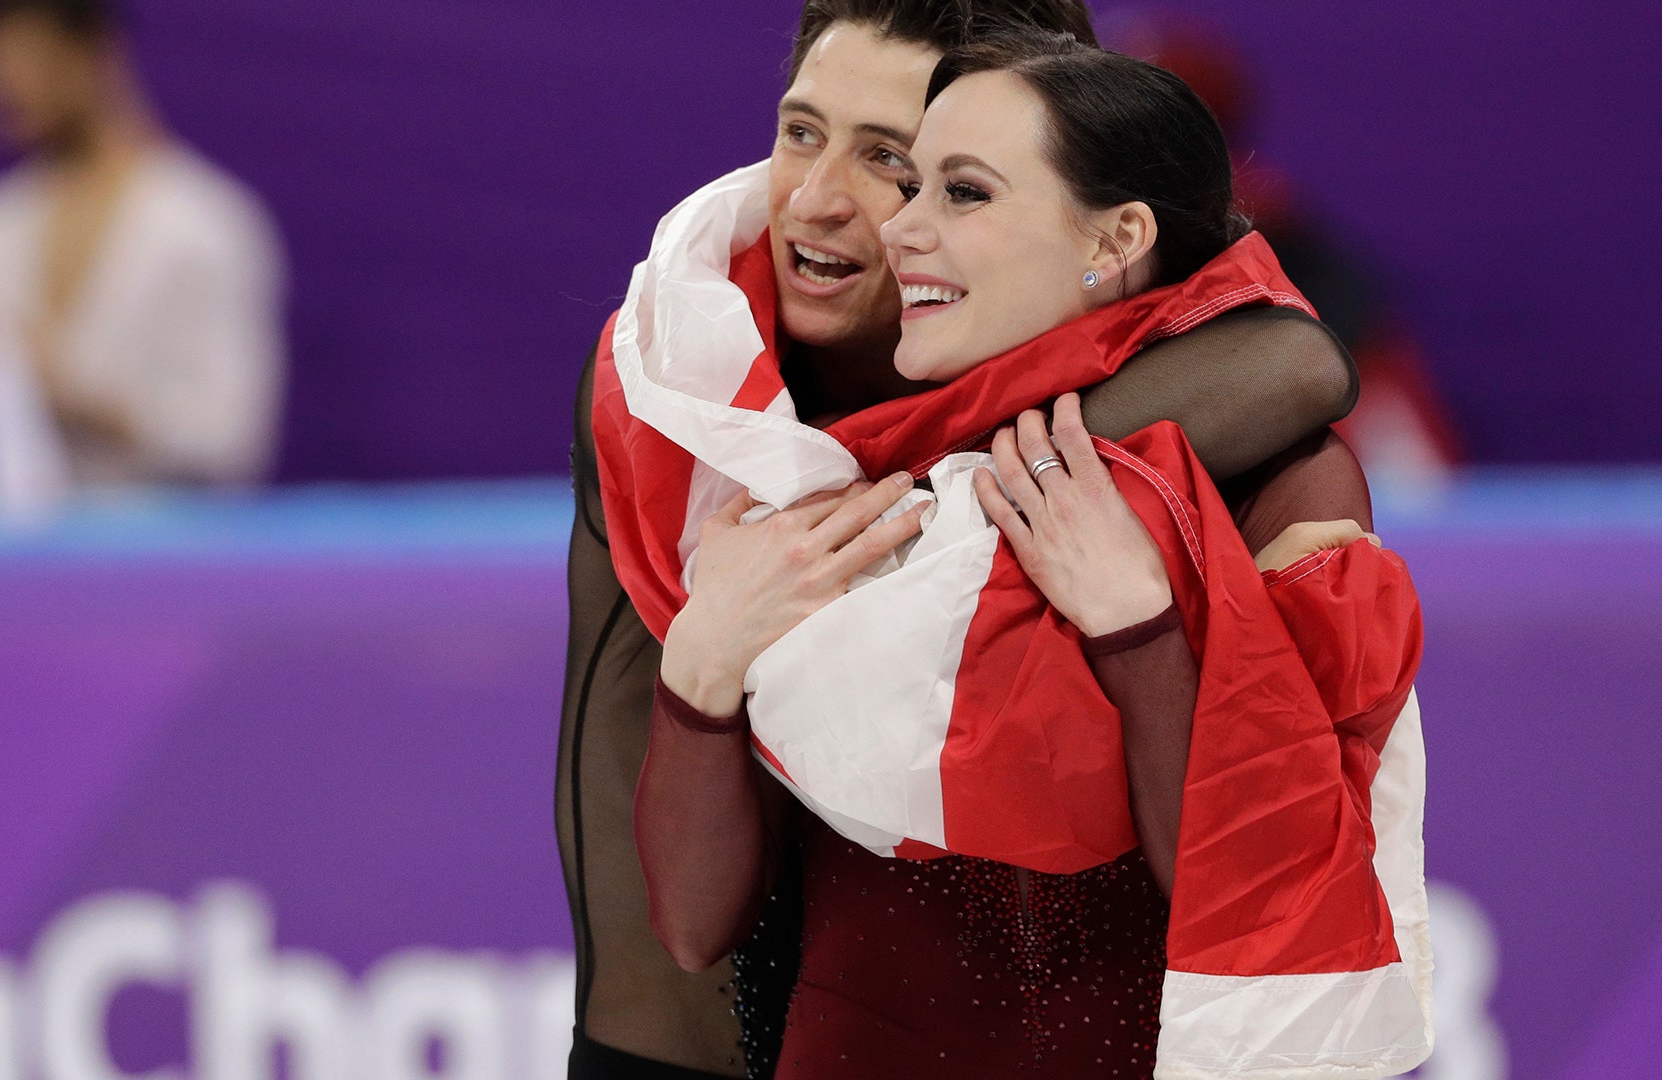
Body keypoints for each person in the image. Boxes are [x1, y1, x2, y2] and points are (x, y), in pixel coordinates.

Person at [556, 3, 1370, 1078]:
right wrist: (707, 662)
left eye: (917, 170)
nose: (822, 201)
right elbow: (692, 925)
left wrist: (1129, 619)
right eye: (800, 132)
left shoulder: (1223, 433)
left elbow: (1296, 365)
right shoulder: (683, 391)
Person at [0, 0, 286, 518]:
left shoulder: (204, 226)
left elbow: (229, 444)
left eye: (29, 61)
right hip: (3, 570)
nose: (5, 87)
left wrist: (71, 395)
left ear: (95, 53)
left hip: (158, 565)